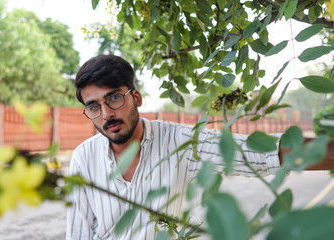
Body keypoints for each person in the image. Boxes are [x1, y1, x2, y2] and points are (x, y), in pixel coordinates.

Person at [65, 54, 333, 239]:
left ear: (136, 97)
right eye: (93, 106)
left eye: (113, 98)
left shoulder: (181, 141)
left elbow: (261, 154)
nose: (106, 114)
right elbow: (78, 233)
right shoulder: (83, 157)